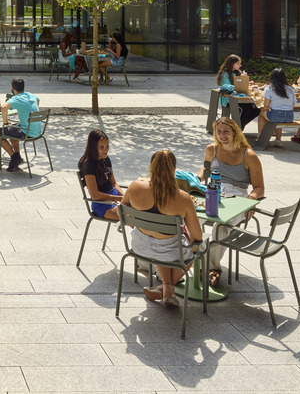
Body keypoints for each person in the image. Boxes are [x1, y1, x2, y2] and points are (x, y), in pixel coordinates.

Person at [118, 149, 204, 309]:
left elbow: (122, 213)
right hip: (168, 252)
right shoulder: (183, 198)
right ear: (174, 170)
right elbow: (197, 236)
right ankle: (167, 289)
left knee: (164, 242)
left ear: (151, 167)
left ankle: (166, 289)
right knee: (196, 245)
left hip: (139, 247)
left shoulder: (135, 187)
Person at [199, 118, 264, 287]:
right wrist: (195, 179)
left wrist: (251, 201)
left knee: (222, 227)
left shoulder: (249, 155)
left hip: (237, 195)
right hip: (212, 192)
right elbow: (204, 170)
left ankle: (213, 268)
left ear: (235, 132)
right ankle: (198, 261)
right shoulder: (211, 149)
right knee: (191, 220)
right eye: (218, 131)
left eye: (226, 131)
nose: (222, 135)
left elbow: (259, 187)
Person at [0, 77, 42, 172]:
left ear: (12, 89)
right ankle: (17, 157)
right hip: (37, 131)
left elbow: (4, 108)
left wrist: (5, 122)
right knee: (12, 131)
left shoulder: (16, 98)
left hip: (27, 132)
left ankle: (14, 157)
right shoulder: (30, 95)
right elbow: (38, 100)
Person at [77, 128, 122, 221]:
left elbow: (114, 184)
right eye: (101, 147)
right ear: (93, 147)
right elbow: (95, 195)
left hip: (115, 198)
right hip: (102, 204)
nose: (106, 150)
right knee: (134, 217)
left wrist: (124, 197)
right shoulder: (89, 164)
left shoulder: (106, 159)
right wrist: (119, 199)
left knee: (143, 209)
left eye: (107, 146)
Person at [214, 54, 258, 129]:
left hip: (240, 97)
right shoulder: (225, 73)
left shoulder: (238, 72)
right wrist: (240, 82)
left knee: (256, 109)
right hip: (228, 98)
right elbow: (226, 86)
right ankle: (238, 128)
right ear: (232, 63)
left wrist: (247, 82)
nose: (240, 65)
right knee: (247, 108)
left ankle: (238, 127)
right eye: (238, 63)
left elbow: (240, 86)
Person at [257, 68, 296, 146]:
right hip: (289, 116)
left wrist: (267, 107)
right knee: (278, 119)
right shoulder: (290, 89)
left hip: (276, 116)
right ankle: (278, 140)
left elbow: (266, 105)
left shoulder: (269, 88)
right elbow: (293, 104)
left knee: (262, 114)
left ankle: (261, 137)